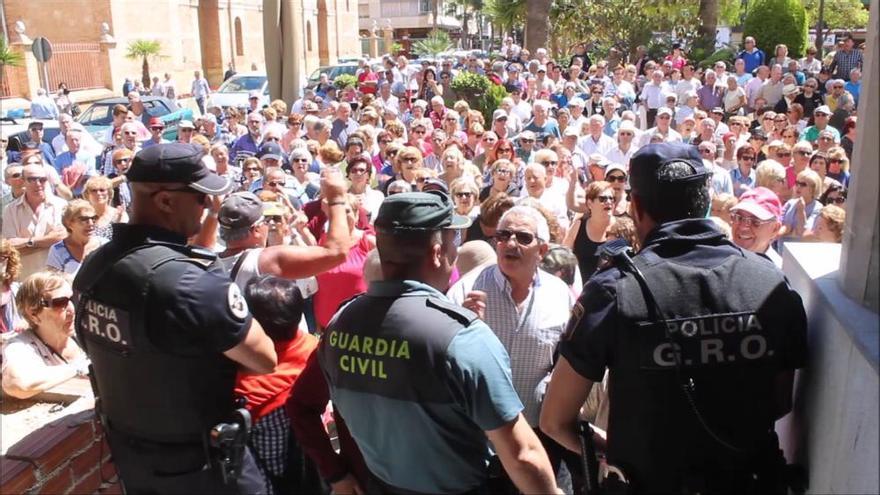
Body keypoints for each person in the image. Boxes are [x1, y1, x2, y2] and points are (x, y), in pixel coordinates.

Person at [540, 142, 808, 493]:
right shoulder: (771, 282)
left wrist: (612, 455)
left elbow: (554, 420)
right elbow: (780, 402)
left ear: (635, 206)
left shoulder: (613, 290)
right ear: (706, 202)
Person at [317, 191, 561, 494]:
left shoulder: (340, 324)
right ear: (436, 253)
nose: (455, 253)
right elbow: (522, 455)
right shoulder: (461, 337)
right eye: (453, 243)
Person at [72, 143, 277, 494]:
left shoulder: (94, 268)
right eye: (200, 198)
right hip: (203, 466)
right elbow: (263, 359)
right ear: (166, 201)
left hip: (134, 457)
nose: (208, 206)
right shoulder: (189, 281)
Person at [447, 205, 580, 492]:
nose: (510, 243)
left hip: (539, 436)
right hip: (480, 440)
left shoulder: (560, 296)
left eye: (522, 237)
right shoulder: (466, 291)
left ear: (542, 251)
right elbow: (442, 362)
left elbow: (567, 361)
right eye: (504, 235)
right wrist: (463, 325)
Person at [2, 272, 88, 399]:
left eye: (72, 299)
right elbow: (17, 383)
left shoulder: (85, 331)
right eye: (60, 303)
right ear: (33, 314)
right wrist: (78, 368)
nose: (71, 309)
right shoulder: (21, 345)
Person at [46, 199, 108, 276]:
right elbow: (54, 282)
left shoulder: (105, 245)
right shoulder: (57, 250)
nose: (90, 223)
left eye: (93, 218)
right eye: (84, 219)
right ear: (69, 224)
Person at [730, 187, 784, 268]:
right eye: (739, 218)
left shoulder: (780, 272)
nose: (743, 227)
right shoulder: (716, 255)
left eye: (755, 221)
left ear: (775, 229)